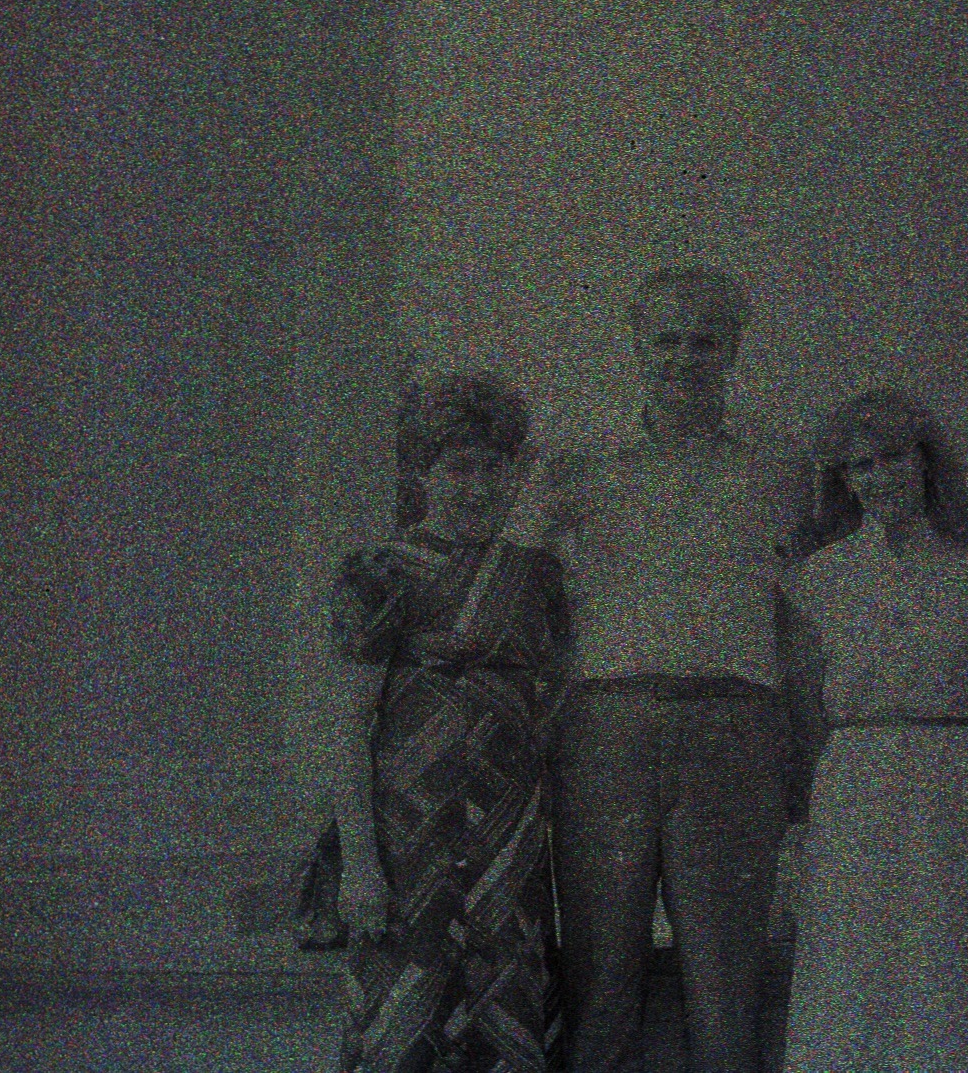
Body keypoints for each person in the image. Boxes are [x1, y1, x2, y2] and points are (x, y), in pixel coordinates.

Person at [504, 266, 820, 1073]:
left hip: (734, 727)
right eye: (667, 339)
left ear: (735, 349)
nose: (684, 357)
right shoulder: (577, 459)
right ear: (637, 345)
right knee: (600, 979)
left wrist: (804, 755)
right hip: (606, 726)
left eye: (704, 340)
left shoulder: (782, 465)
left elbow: (801, 622)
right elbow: (521, 598)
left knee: (725, 987)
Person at [317, 370, 569, 1073]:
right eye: (458, 467)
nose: (479, 486)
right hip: (409, 841)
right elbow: (348, 726)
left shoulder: (537, 575)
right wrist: (361, 866)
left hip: (507, 841)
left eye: (495, 468)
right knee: (406, 1018)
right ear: (421, 472)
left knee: (505, 1009)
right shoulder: (377, 572)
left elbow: (555, 704)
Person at [780, 386, 968, 1071]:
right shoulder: (819, 580)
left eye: (891, 457)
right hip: (852, 787)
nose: (877, 477)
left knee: (948, 968)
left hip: (951, 783)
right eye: (859, 466)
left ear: (925, 462)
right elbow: (803, 718)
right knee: (853, 970)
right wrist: (799, 831)